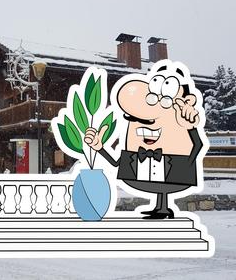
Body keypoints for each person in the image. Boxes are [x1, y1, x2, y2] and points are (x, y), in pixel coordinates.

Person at [84, 62, 204, 220]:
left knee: (164, 184)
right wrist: (99, 147)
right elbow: (115, 163)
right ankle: (160, 208)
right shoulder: (134, 150)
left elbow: (199, 144)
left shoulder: (181, 124)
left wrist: (190, 131)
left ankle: (162, 207)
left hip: (174, 166)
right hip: (144, 167)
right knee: (160, 185)